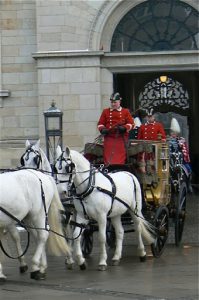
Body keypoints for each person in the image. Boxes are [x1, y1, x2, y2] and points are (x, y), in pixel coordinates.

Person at [97, 92, 134, 165]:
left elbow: (132, 124)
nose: (113, 104)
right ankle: (108, 166)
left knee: (119, 152)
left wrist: (124, 128)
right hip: (109, 137)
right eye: (112, 102)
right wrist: (103, 129)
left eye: (115, 102)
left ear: (119, 101)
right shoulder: (105, 111)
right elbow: (100, 123)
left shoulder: (125, 111)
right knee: (108, 151)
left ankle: (119, 166)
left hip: (121, 137)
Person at [169, 117, 192, 191]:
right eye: (172, 132)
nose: (173, 134)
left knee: (188, 169)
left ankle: (188, 184)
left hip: (180, 159)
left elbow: (184, 151)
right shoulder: (169, 140)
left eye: (175, 132)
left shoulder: (181, 140)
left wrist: (181, 154)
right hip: (171, 159)